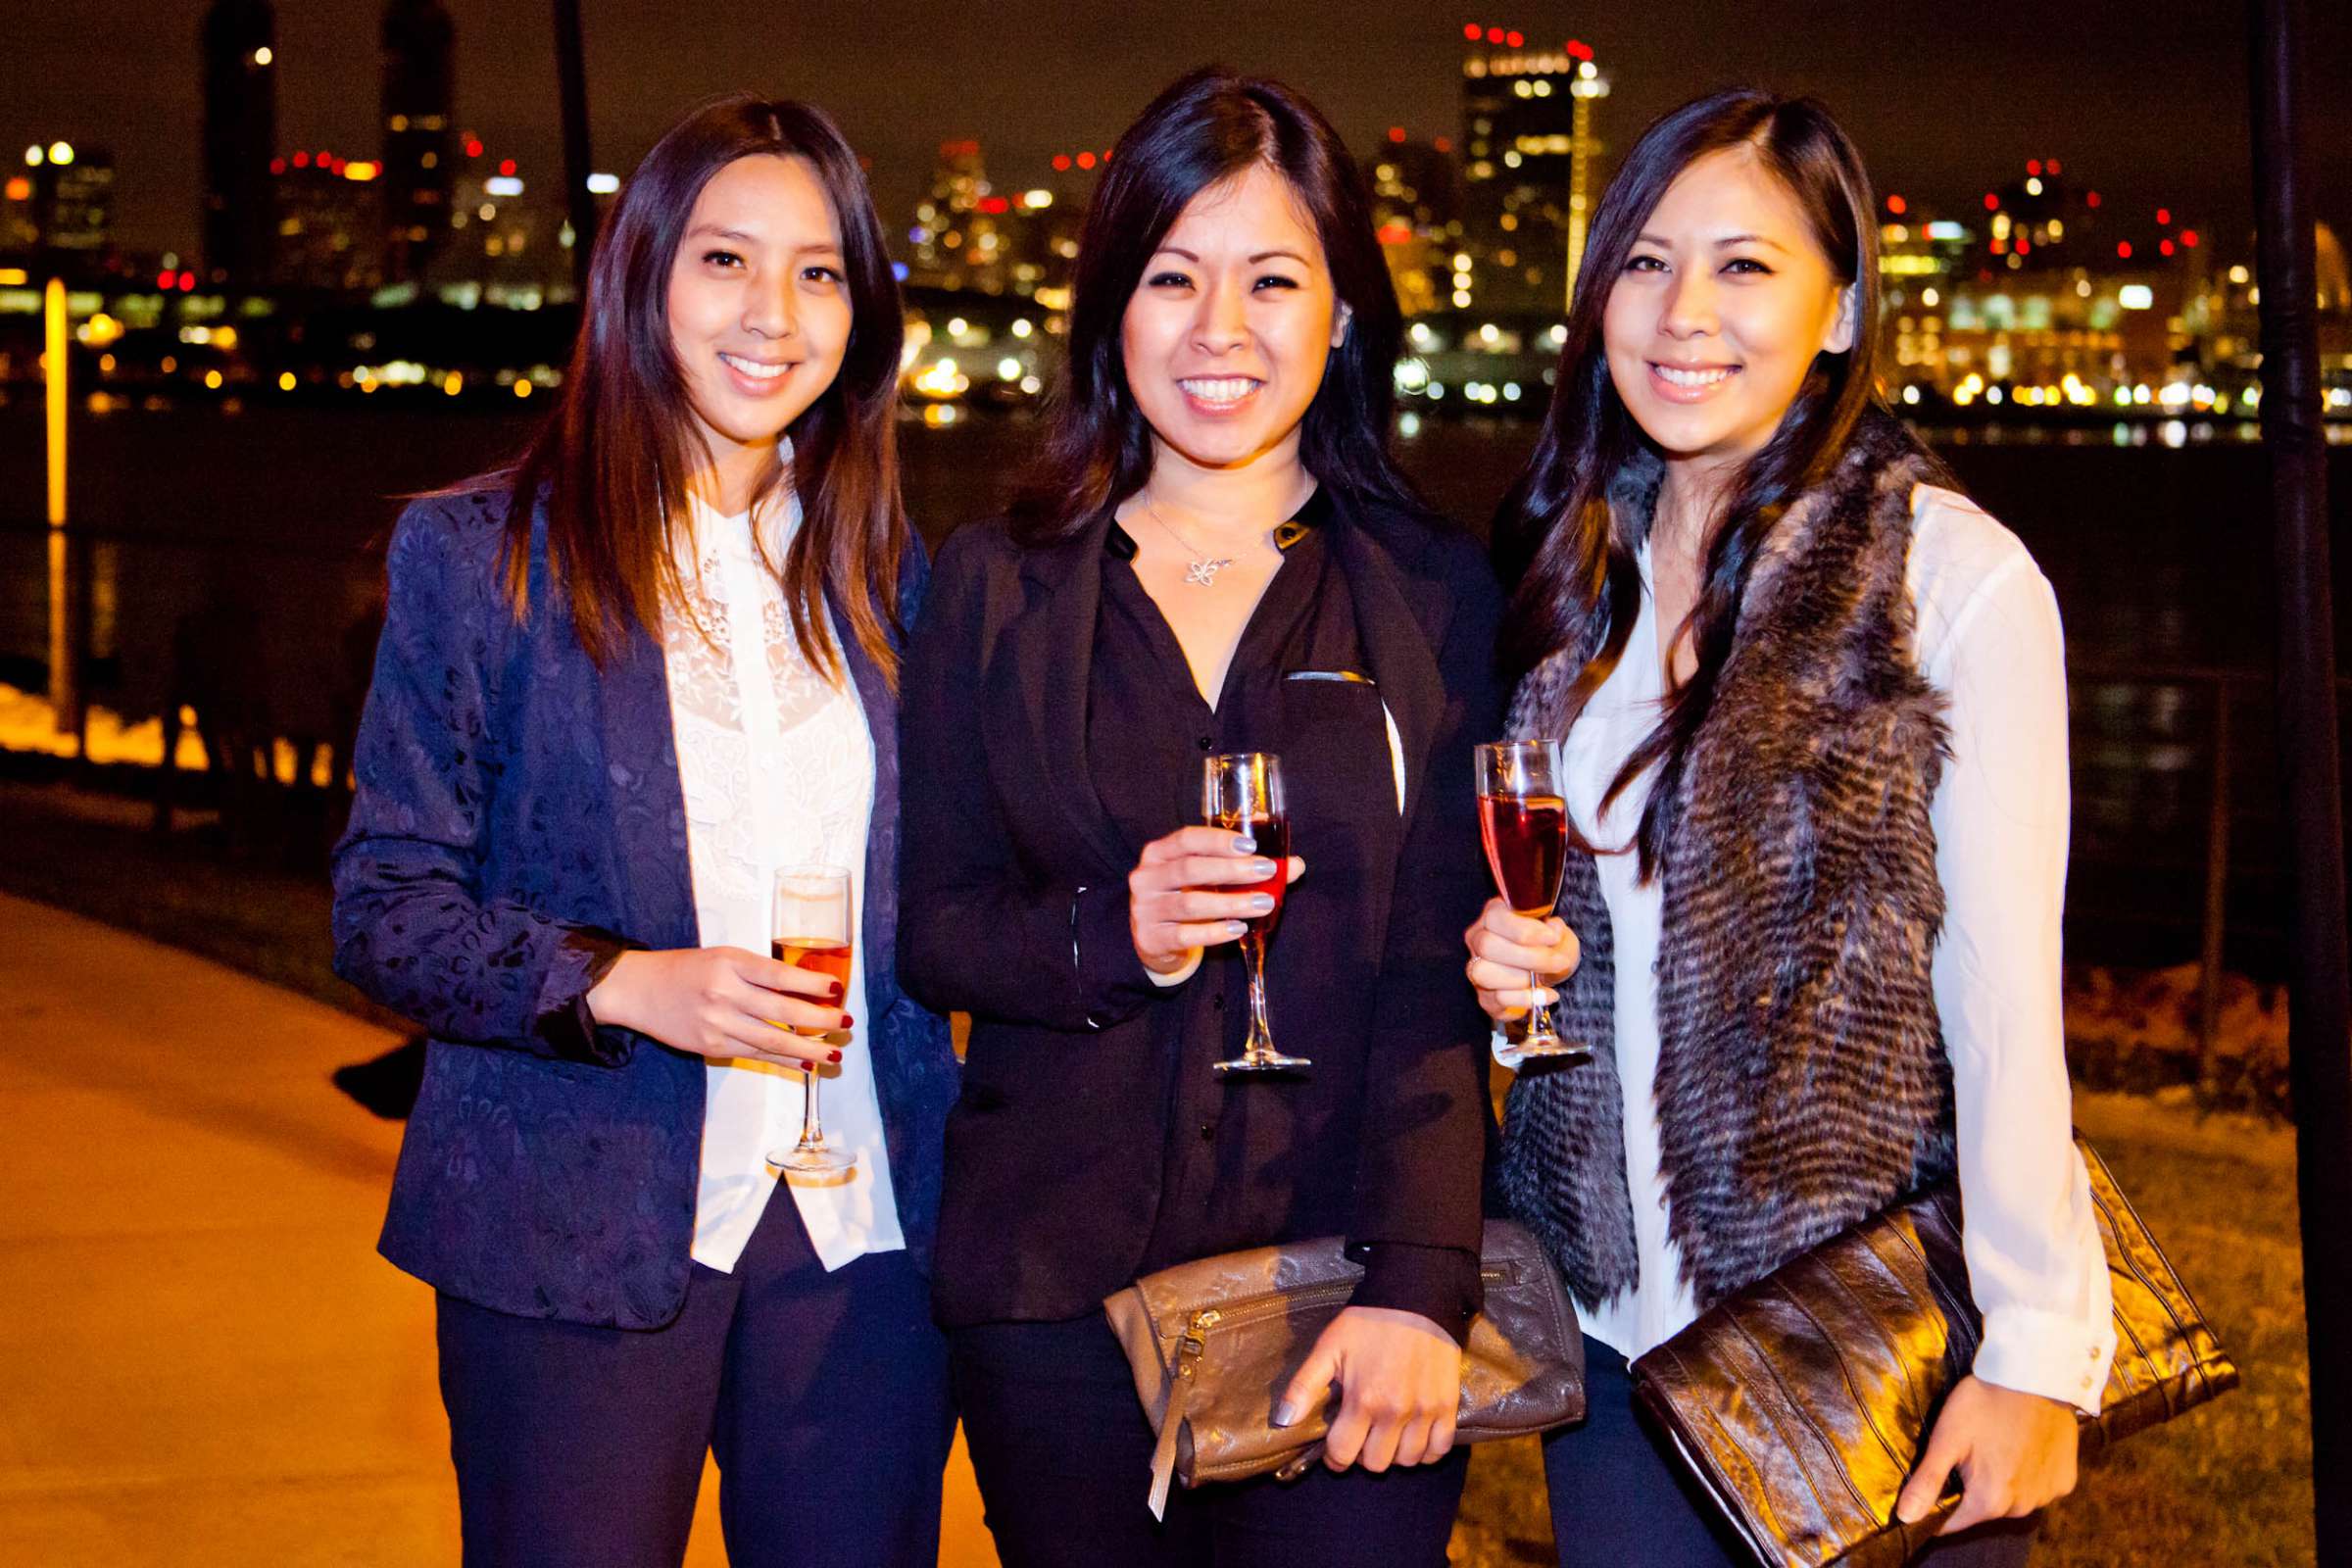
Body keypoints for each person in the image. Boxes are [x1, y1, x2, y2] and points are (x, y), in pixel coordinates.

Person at [1465, 89, 2116, 1568]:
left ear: (1838, 309)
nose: (1685, 311)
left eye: (1745, 265)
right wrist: (1519, 990)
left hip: (1862, 1339)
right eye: (1643, 261)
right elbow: (1602, 946)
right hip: (1620, 1344)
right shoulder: (1583, 576)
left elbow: (2007, 1000)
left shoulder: (1947, 582)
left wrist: (2034, 1354)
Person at [330, 95, 958, 1568]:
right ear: (642, 280)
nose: (772, 314)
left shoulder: (888, 574)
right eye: (725, 261)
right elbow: (384, 905)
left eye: (818, 272)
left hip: (860, 1238)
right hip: (573, 1222)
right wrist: (623, 981)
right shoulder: (482, 552)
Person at [899, 68, 1503, 1568]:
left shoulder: (1430, 595)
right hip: (1058, 1295)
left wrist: (1421, 1285)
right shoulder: (996, 584)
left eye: (1272, 280)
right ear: (1112, 308)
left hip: (1340, 1290)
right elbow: (938, 926)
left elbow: (1442, 960)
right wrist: (1120, 931)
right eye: (1173, 278)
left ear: (1345, 314)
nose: (1218, 331)